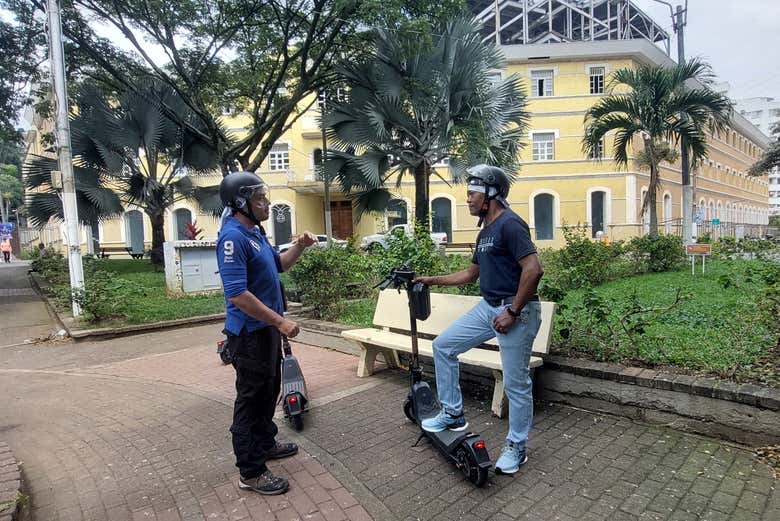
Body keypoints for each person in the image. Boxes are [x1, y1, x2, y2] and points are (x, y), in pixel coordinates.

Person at [414, 164, 544, 475]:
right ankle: (453, 413)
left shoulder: (511, 225)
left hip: (518, 311)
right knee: (444, 346)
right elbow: (470, 274)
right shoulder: (485, 230)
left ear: (491, 194)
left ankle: (517, 446)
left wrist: (512, 311)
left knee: (516, 384)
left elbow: (534, 269)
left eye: (472, 193)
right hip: (489, 308)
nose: (468, 200)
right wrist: (432, 279)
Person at [216, 171, 317, 495]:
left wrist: (299, 246)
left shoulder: (256, 232)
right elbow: (237, 294)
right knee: (251, 399)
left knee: (269, 390)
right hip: (249, 334)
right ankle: (251, 471)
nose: (267, 203)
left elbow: (280, 265)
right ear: (241, 203)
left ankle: (266, 444)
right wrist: (281, 321)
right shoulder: (232, 237)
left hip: (266, 330)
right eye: (260, 199)